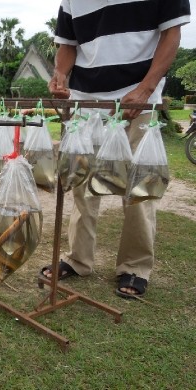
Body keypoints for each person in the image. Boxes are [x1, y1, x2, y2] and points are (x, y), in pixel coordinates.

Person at [41, 0, 191, 299]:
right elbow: (68, 44)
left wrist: (145, 89)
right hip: (86, 102)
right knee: (82, 186)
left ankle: (135, 267)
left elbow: (171, 35)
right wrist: (60, 74)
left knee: (137, 187)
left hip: (136, 99)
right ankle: (78, 258)